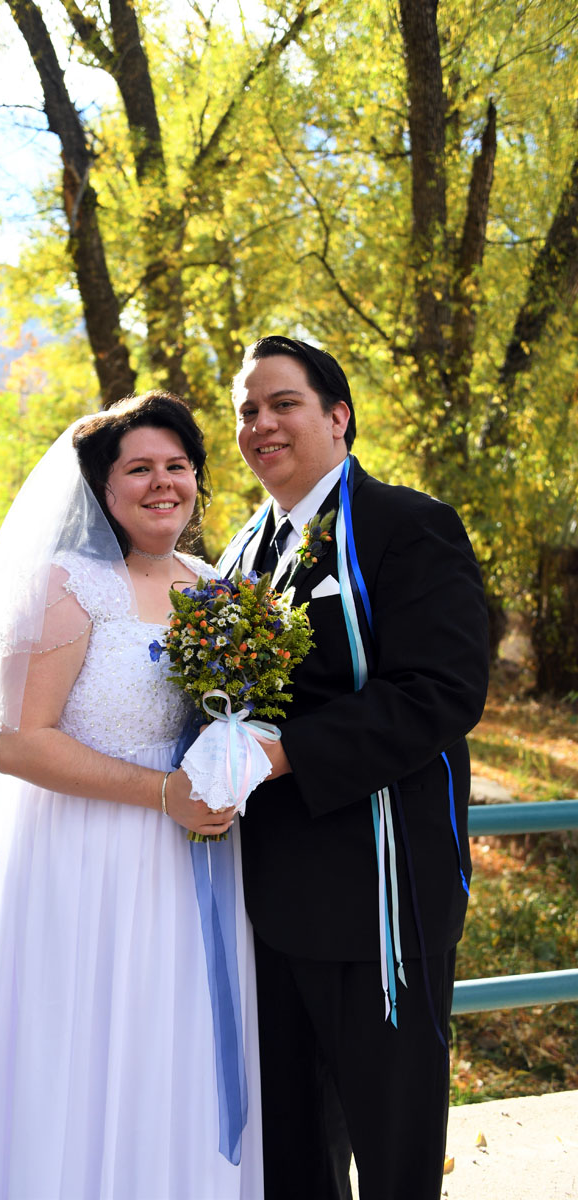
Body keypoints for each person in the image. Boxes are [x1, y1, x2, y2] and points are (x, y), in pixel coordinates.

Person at [0, 392, 263, 1199]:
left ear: (198, 479)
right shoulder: (66, 586)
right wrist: (164, 792)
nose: (164, 483)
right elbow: (17, 742)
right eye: (140, 468)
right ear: (104, 488)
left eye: (179, 466)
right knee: (84, 1040)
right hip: (88, 854)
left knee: (177, 1040)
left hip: (198, 858)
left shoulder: (215, 585)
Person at [217, 337, 490, 1200]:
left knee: (393, 1145)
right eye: (246, 412)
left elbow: (443, 691)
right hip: (263, 900)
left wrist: (287, 752)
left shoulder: (407, 526)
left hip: (380, 900)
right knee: (290, 1154)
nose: (261, 424)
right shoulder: (239, 555)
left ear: (338, 417)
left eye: (282, 404)